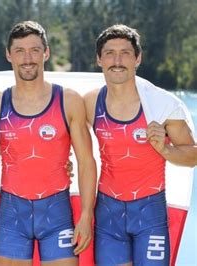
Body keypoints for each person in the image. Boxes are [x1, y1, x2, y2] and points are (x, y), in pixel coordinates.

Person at [0, 21, 97, 266]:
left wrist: (85, 214)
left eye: (35, 50)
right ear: (9, 55)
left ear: (46, 52)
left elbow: (86, 161)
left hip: (56, 212)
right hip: (12, 213)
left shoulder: (68, 101)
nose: (27, 58)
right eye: (19, 50)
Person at [84, 24, 195, 265]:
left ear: (138, 58)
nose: (117, 60)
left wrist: (165, 149)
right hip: (108, 211)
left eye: (125, 53)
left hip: (149, 211)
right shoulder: (90, 103)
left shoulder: (162, 103)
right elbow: (65, 141)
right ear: (99, 59)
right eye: (110, 53)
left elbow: (193, 155)